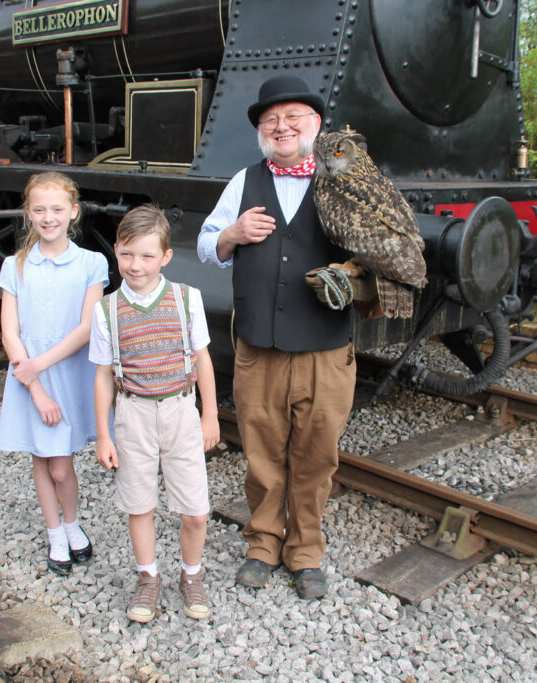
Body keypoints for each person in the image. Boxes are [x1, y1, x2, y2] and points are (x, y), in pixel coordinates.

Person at [197, 75, 356, 600]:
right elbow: (202, 245)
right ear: (262, 131)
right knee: (263, 455)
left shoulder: (346, 182)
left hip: (326, 350)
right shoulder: (244, 181)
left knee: (316, 455)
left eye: (294, 118)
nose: (282, 127)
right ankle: (263, 543)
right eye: (272, 121)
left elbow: (381, 253)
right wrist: (231, 235)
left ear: (315, 125)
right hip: (259, 349)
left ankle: (306, 551)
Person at [90, 204, 220, 623]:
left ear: (166, 257)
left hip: (181, 412)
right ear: (115, 251)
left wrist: (210, 416)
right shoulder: (106, 310)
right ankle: (148, 577)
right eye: (127, 254)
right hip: (133, 416)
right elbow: (103, 376)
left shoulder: (186, 300)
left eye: (147, 256)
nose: (135, 265)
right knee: (139, 504)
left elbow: (202, 361)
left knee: (195, 511)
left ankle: (191, 574)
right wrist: (105, 434)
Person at [0, 171, 109, 576]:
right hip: (30, 381)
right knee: (43, 460)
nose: (48, 217)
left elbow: (84, 328)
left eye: (57, 209)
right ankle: (56, 532)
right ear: (27, 213)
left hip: (66, 374)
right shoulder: (16, 265)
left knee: (60, 465)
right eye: (39, 209)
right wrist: (35, 386)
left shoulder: (91, 264)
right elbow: (10, 332)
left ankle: (72, 522)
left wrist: (38, 366)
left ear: (73, 212)